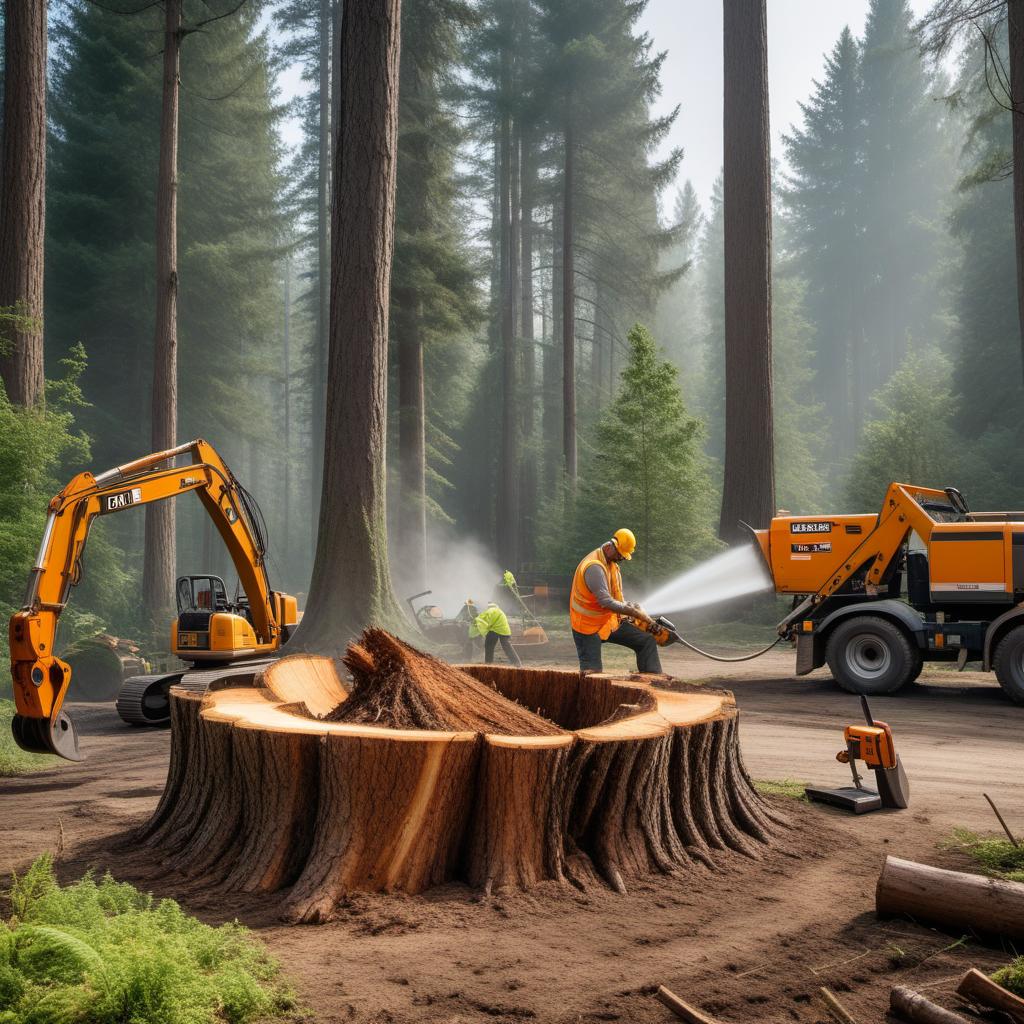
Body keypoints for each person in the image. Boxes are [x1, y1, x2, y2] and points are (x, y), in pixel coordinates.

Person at [569, 528, 662, 674]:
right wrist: (633, 611)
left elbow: (617, 598)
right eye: (620, 554)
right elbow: (606, 602)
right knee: (592, 673)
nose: (622, 558)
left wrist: (631, 612)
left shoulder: (612, 565)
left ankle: (655, 683)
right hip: (587, 626)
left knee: (646, 641)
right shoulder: (594, 567)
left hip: (608, 621)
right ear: (609, 547)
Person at [469, 602, 523, 667]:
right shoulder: (499, 611)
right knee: (506, 646)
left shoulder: (490, 610)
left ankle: (488, 663)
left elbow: (482, 620)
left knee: (489, 645)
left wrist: (475, 622)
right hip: (505, 631)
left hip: (495, 629)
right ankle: (517, 662)